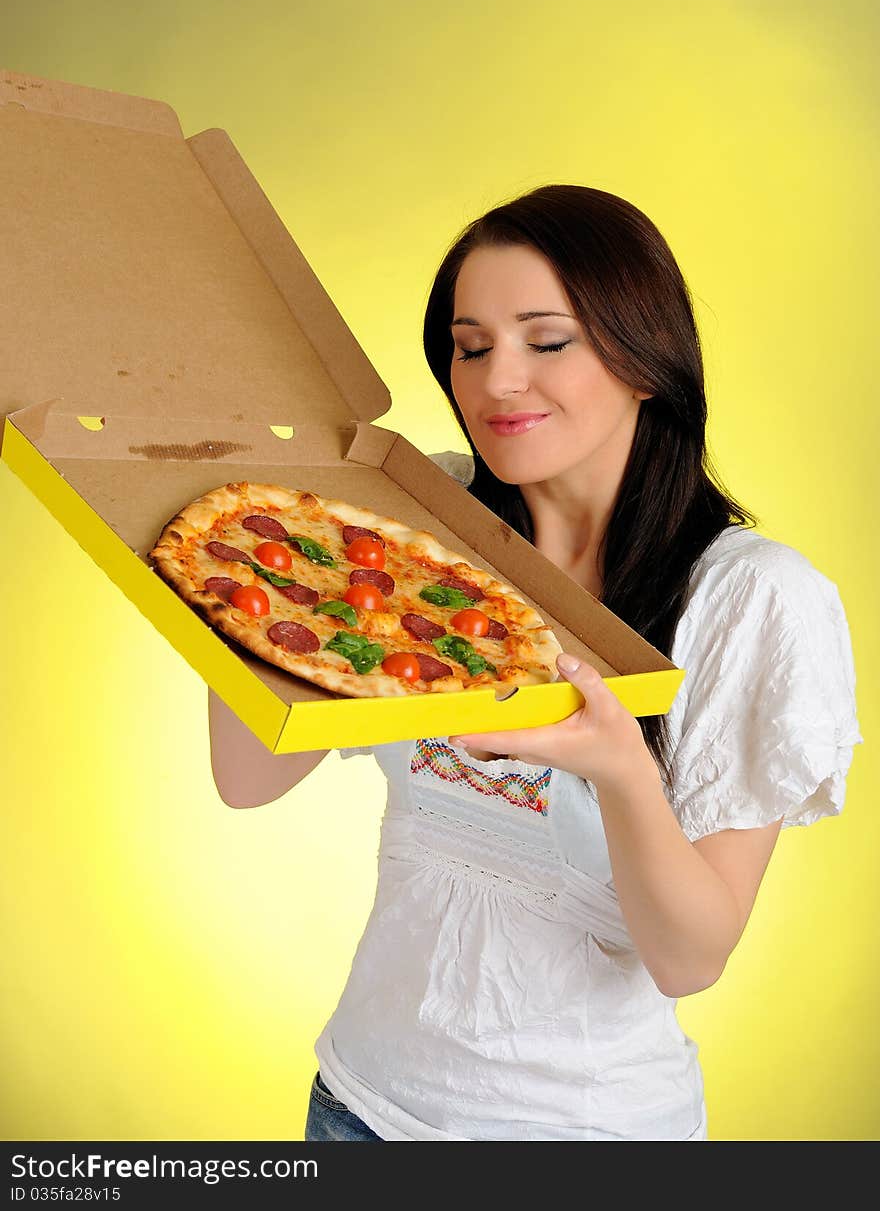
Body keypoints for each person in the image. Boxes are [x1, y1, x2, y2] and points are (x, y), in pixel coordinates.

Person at [208, 185, 862, 1142]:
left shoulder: (752, 598)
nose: (496, 381)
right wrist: (249, 585)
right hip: (357, 1106)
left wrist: (617, 763)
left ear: (646, 359)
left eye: (545, 341)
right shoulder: (425, 522)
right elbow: (247, 775)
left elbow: (691, 958)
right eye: (469, 347)